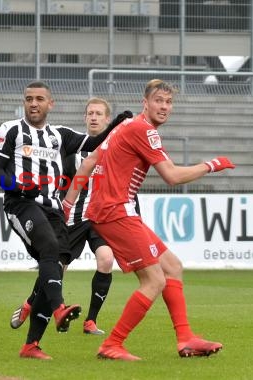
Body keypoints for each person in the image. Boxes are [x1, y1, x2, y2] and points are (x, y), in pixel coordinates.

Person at [63, 79, 234, 361]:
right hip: (116, 210)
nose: (164, 107)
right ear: (146, 103)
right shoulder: (144, 130)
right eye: (159, 101)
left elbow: (90, 159)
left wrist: (69, 202)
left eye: (168, 102)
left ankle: (185, 338)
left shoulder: (125, 127)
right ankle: (112, 344)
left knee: (172, 267)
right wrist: (211, 165)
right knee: (154, 280)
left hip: (112, 208)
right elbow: (171, 177)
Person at [0, 80, 132, 360]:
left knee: (52, 266)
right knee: (50, 250)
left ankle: (31, 345)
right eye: (29, 98)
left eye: (39, 99)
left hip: (53, 209)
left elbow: (92, 142)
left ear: (49, 104)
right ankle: (59, 309)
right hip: (21, 203)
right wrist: (18, 187)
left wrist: (116, 123)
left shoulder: (59, 135)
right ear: (24, 101)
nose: (33, 103)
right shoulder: (10, 129)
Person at [9, 97, 125, 336]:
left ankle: (90, 321)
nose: (93, 117)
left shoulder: (115, 153)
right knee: (57, 268)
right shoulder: (71, 151)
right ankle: (31, 303)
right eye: (89, 113)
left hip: (100, 219)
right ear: (85, 118)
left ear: (107, 119)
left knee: (106, 259)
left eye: (98, 113)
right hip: (74, 218)